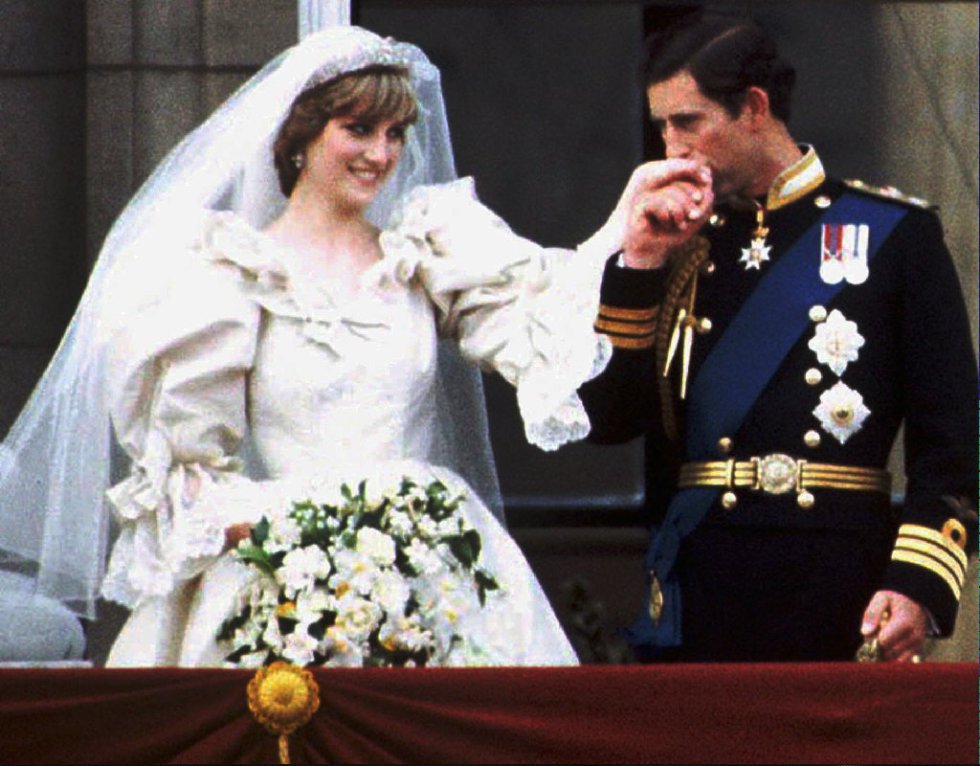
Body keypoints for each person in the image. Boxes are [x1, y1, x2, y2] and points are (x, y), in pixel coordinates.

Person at [0, 26, 624, 667]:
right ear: (300, 138)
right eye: (357, 129)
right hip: (283, 581)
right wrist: (305, 549)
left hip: (432, 567)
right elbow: (190, 473)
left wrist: (628, 232)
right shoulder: (228, 275)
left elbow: (547, 316)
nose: (380, 155)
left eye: (394, 135)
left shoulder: (426, 252)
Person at [579, 14, 977, 662]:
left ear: (754, 108)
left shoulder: (895, 236)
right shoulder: (676, 247)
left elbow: (953, 440)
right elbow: (608, 419)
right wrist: (640, 266)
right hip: (699, 587)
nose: (670, 148)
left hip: (838, 585)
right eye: (661, 128)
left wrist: (916, 583)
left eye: (688, 122)